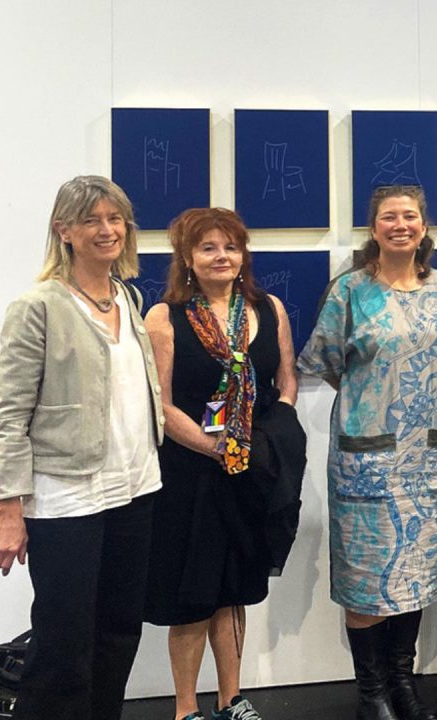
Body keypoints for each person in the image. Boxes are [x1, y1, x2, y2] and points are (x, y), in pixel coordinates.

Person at [0, 175, 164, 720]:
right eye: (92, 220)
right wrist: (9, 510)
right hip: (66, 502)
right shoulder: (37, 306)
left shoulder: (128, 297)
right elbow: (10, 416)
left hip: (135, 492)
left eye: (116, 219)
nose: (107, 230)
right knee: (63, 646)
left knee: (117, 636)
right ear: (64, 230)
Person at [299, 185, 437, 720]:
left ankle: (403, 685)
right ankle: (372, 695)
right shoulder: (349, 291)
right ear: (374, 228)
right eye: (389, 217)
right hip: (365, 459)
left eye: (409, 216)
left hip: (427, 459)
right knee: (367, 579)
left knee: (416, 572)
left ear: (423, 226)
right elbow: (326, 361)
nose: (400, 225)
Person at [144, 207, 304, 720]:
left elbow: (287, 381)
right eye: (208, 247)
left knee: (234, 587)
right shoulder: (164, 317)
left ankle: (232, 699)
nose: (221, 256)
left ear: (243, 256)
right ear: (187, 258)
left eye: (230, 247)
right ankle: (186, 709)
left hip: (250, 471)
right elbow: (160, 405)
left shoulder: (268, 308)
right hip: (190, 472)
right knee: (193, 592)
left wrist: (262, 443)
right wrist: (219, 448)